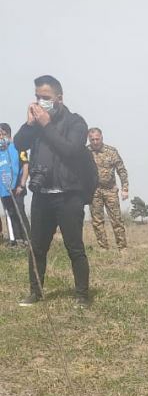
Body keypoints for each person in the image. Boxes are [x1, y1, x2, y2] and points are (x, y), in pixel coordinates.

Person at [14, 74, 91, 307]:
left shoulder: (76, 122)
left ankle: (82, 295)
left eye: (45, 97)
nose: (40, 101)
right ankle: (35, 292)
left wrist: (46, 124)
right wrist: (30, 124)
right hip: (42, 195)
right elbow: (19, 144)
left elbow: (70, 150)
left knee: (74, 247)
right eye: (37, 96)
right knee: (36, 248)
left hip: (68, 195)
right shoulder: (35, 125)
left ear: (59, 98)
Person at [88, 128, 129, 251]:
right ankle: (103, 247)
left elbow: (121, 170)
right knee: (97, 221)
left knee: (116, 220)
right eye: (92, 139)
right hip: (93, 191)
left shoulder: (111, 151)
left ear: (102, 137)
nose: (95, 142)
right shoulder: (85, 151)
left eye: (97, 138)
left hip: (110, 190)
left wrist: (125, 188)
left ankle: (122, 247)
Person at [0, 123, 30, 245]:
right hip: (4, 190)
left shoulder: (19, 147)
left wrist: (21, 185)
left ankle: (27, 239)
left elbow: (26, 166)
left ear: (6, 133)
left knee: (19, 212)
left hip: (17, 187)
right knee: (10, 213)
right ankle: (16, 240)